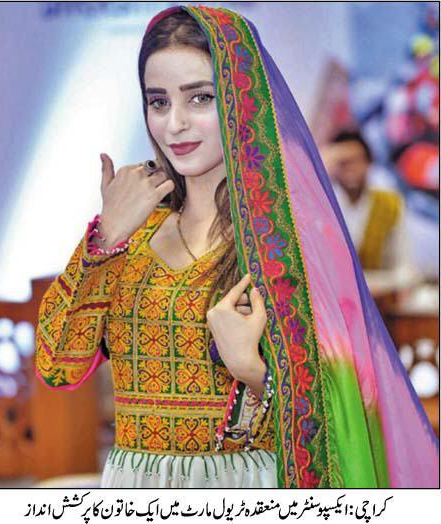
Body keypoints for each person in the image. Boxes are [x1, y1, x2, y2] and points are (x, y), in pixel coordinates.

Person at [35, 5, 439, 488]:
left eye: (200, 98)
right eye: (158, 102)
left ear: (240, 101)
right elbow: (57, 367)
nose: (175, 124)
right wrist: (106, 238)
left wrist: (252, 372)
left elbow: (342, 416)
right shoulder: (130, 234)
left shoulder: (287, 243)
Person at [320, 130, 421, 296]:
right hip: (334, 301)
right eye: (343, 162)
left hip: (378, 301)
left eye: (356, 161)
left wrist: (373, 285)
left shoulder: (389, 203)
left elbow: (405, 270)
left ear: (369, 162)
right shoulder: (321, 206)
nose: (350, 168)